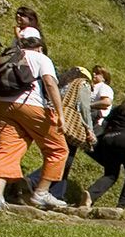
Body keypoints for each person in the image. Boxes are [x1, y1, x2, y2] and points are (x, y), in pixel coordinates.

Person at [0, 25, 66, 209]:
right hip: (30, 106)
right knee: (58, 149)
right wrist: (60, 114)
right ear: (38, 45)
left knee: (5, 149)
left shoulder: (4, 57)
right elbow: (50, 84)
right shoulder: (41, 58)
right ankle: (41, 192)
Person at [24, 65, 96, 204]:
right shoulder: (83, 84)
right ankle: (34, 180)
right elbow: (84, 108)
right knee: (65, 157)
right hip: (70, 124)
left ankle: (57, 193)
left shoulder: (62, 83)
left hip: (55, 118)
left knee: (62, 156)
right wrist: (89, 129)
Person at [89, 65, 113, 132]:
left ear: (104, 78)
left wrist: (89, 105)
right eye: (93, 72)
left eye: (97, 73)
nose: (94, 74)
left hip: (97, 121)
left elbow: (106, 102)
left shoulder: (103, 87)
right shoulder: (93, 87)